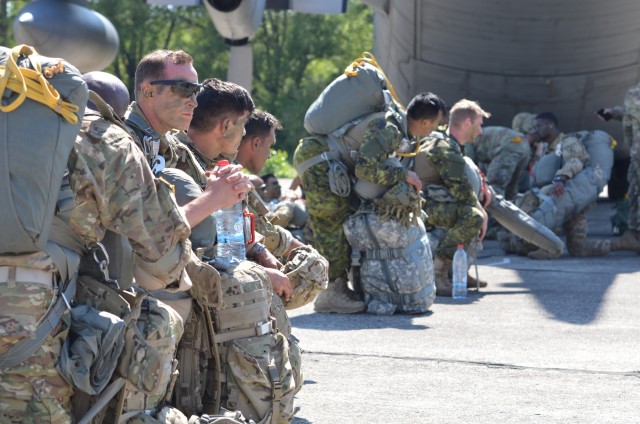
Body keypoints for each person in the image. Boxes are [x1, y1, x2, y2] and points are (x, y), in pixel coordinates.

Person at [293, 91, 446, 313]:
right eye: (434, 124)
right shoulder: (390, 129)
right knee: (332, 223)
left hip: (324, 160)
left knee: (342, 218)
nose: (433, 130)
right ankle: (331, 293)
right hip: (319, 161)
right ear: (425, 122)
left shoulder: (396, 128)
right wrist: (403, 176)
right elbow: (366, 169)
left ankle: (340, 286)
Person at [500, 112, 640, 258]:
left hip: (567, 194)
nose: (534, 129)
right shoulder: (546, 151)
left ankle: (548, 246)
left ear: (550, 125)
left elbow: (575, 160)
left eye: (538, 125)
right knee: (578, 249)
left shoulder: (568, 141)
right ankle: (623, 243)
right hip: (561, 196)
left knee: (539, 226)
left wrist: (561, 178)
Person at [414, 99, 492, 296]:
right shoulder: (445, 148)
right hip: (423, 205)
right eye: (479, 124)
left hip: (432, 202)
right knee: (472, 216)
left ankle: (459, 271)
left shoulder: (449, 144)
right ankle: (439, 273)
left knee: (473, 212)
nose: (481, 131)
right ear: (467, 123)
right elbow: (461, 190)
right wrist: (482, 213)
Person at [599, 83, 640, 250]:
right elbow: (630, 112)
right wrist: (613, 113)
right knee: (634, 194)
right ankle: (635, 236)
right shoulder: (634, 91)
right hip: (636, 154)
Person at [465, 126, 531, 200]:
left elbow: (469, 165)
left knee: (494, 187)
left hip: (509, 144)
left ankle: (492, 210)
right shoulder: (478, 137)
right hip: (523, 144)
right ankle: (508, 208)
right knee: (511, 188)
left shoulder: (466, 141)